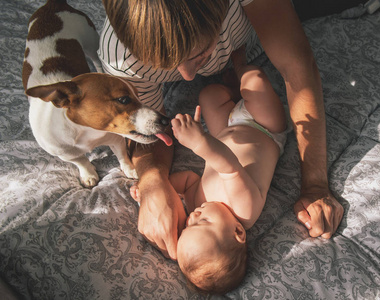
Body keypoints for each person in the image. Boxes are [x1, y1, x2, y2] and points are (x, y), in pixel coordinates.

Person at [100, 0, 344, 260]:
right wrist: (153, 183)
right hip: (250, 128)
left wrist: (316, 185)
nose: (188, 75)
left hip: (237, 128)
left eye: (199, 54)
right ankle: (235, 81)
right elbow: (152, 134)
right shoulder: (121, 57)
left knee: (240, 84)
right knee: (211, 93)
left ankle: (239, 72)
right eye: (166, 64)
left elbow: (297, 67)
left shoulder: (200, 204)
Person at [170, 49, 289, 293]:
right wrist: (199, 143)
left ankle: (234, 92)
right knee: (255, 79)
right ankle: (240, 65)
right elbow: (229, 167)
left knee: (209, 95)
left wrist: (163, 187)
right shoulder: (243, 212)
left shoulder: (196, 203)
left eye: (187, 226)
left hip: (224, 130)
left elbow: (185, 182)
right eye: (202, 223)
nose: (192, 216)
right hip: (264, 128)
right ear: (237, 233)